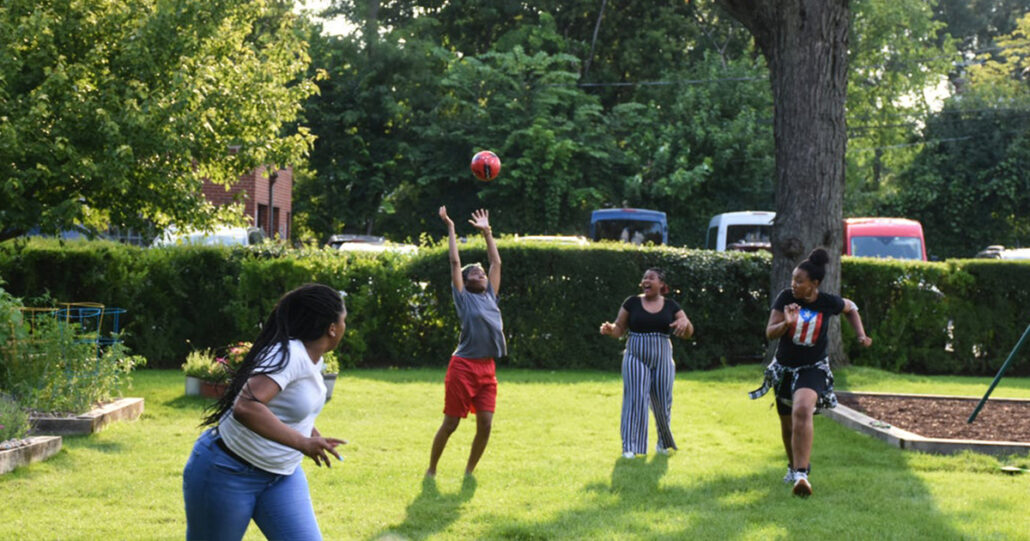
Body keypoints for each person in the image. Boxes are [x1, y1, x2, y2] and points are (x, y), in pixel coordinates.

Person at [183, 283, 348, 541]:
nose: (345, 327)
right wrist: (303, 443)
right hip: (226, 471)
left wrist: (311, 433)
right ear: (332, 328)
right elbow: (246, 407)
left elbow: (288, 407)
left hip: (282, 477)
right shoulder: (289, 355)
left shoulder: (313, 358)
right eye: (344, 320)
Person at [749, 248, 872, 498]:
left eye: (799, 281)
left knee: (802, 409)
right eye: (793, 279)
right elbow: (769, 332)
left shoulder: (827, 302)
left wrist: (860, 334)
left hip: (813, 368)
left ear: (814, 284)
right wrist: (787, 323)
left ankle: (802, 474)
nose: (794, 284)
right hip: (783, 369)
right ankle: (792, 466)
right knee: (787, 424)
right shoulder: (785, 298)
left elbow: (851, 307)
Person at [426, 206, 505, 478]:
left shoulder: (490, 296)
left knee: (486, 423)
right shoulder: (464, 297)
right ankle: (432, 469)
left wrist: (487, 233)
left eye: (482, 274)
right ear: (466, 280)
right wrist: (450, 227)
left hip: (487, 369)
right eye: (476, 274)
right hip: (463, 367)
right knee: (451, 424)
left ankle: (469, 471)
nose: (481, 275)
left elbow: (496, 263)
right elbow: (455, 263)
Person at [600, 268, 693, 459]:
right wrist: (611, 330)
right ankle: (630, 446)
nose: (646, 281)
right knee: (635, 400)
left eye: (651, 278)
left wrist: (685, 324)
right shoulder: (632, 302)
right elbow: (619, 328)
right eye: (644, 278)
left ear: (662, 284)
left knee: (662, 401)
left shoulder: (671, 306)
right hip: (636, 356)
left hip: (663, 358)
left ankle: (662, 443)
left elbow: (688, 330)